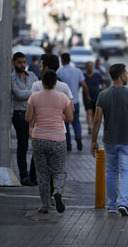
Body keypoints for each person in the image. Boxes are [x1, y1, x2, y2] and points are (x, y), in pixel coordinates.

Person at [91, 64, 128, 216]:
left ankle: (112, 205)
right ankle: (123, 202)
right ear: (121, 76)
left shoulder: (103, 95)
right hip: (127, 140)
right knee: (127, 172)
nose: (127, 75)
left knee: (112, 171)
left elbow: (97, 120)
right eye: (126, 72)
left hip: (110, 140)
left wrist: (94, 141)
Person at [26, 70, 73, 214]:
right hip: (58, 138)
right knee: (58, 171)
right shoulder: (63, 97)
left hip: (39, 138)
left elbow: (28, 117)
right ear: (54, 83)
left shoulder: (34, 97)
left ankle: (46, 204)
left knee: (42, 173)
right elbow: (70, 117)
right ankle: (57, 192)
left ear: (42, 82)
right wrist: (60, 116)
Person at [11, 52, 39, 186]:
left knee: (37, 145)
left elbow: (38, 90)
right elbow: (17, 94)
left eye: (23, 62)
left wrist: (29, 94)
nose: (22, 65)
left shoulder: (32, 75)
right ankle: (24, 176)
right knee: (23, 145)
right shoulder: (12, 78)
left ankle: (33, 175)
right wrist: (32, 93)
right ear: (13, 63)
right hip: (20, 114)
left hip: (34, 114)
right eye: (19, 62)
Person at [58, 53, 90, 151]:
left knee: (66, 124)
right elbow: (84, 85)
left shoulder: (60, 73)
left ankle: (68, 145)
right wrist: (87, 95)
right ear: (70, 59)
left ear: (62, 60)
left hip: (64, 103)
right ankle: (78, 136)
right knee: (76, 122)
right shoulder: (77, 71)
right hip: (75, 101)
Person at [83, 61, 106, 134]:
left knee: (94, 113)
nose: (90, 67)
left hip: (97, 97)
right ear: (86, 67)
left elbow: (103, 84)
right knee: (89, 112)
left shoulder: (97, 75)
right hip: (87, 97)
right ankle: (90, 126)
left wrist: (103, 92)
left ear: (93, 67)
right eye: (88, 66)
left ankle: (92, 125)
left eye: (91, 66)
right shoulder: (83, 76)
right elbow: (80, 85)